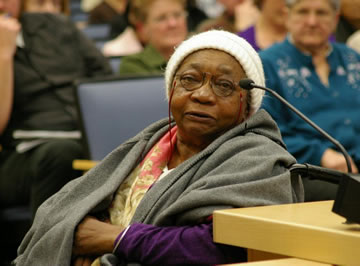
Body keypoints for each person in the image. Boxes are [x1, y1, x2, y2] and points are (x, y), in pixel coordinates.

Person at [14, 30, 304, 266]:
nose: (202, 95)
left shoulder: (259, 158)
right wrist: (81, 240)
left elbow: (226, 246)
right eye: (190, 80)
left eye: (224, 85)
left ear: (247, 106)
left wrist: (118, 239)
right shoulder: (149, 143)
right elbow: (75, 206)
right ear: (172, 90)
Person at [259, 0, 360, 201]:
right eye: (303, 12)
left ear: (335, 19)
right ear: (288, 15)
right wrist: (320, 154)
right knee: (358, 198)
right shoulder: (268, 64)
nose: (312, 21)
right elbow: (266, 132)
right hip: (314, 172)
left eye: (321, 13)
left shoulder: (353, 58)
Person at [0, 0, 112, 216]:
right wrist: (4, 56)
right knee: (62, 153)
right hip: (19, 154)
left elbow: (103, 79)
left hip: (76, 137)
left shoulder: (56, 27)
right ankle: (44, 247)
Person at [119, 0, 188, 75]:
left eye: (177, 15)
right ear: (143, 28)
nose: (172, 24)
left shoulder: (200, 56)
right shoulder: (134, 64)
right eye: (161, 18)